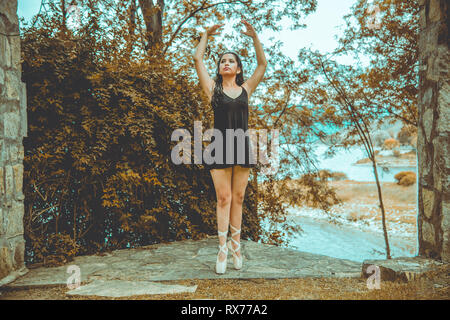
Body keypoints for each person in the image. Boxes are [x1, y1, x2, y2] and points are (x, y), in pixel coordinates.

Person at [193, 19, 267, 274]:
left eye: (231, 61)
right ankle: (222, 248)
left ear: (237, 68)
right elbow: (197, 61)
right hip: (219, 146)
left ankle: (237, 246)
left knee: (238, 197)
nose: (226, 63)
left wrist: (255, 36)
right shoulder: (212, 89)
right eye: (223, 61)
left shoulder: (246, 89)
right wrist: (205, 34)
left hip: (242, 146)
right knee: (223, 198)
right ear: (220, 68)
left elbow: (262, 64)